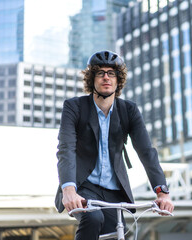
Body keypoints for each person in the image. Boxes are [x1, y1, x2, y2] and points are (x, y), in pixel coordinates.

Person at [54, 50, 174, 239]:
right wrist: (68, 190)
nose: (106, 77)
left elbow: (147, 152)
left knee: (116, 233)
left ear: (119, 80)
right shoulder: (74, 107)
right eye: (100, 73)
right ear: (91, 79)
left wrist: (162, 192)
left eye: (111, 73)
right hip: (83, 186)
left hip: (114, 192)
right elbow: (66, 149)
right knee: (93, 219)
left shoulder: (129, 110)